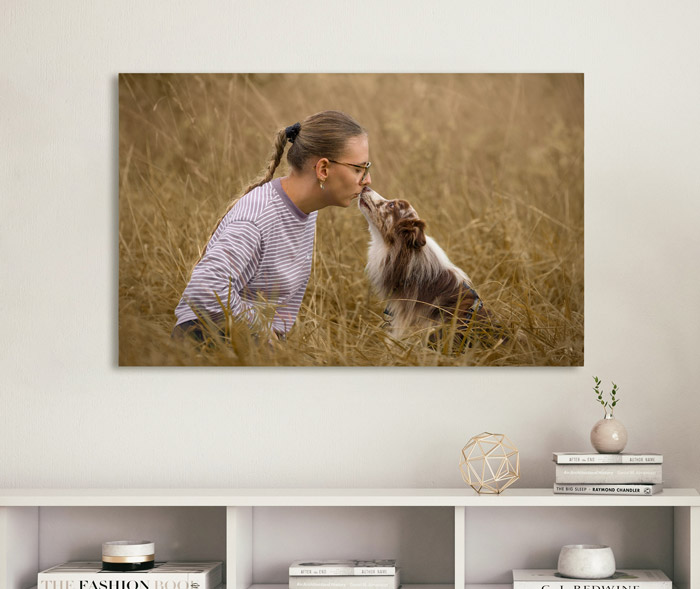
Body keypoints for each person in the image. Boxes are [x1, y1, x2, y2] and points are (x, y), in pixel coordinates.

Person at [172, 110, 372, 341]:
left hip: (251, 343)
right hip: (206, 339)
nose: (367, 180)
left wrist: (275, 344)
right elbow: (204, 290)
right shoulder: (257, 218)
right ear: (323, 170)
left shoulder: (306, 211)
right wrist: (263, 331)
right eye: (359, 169)